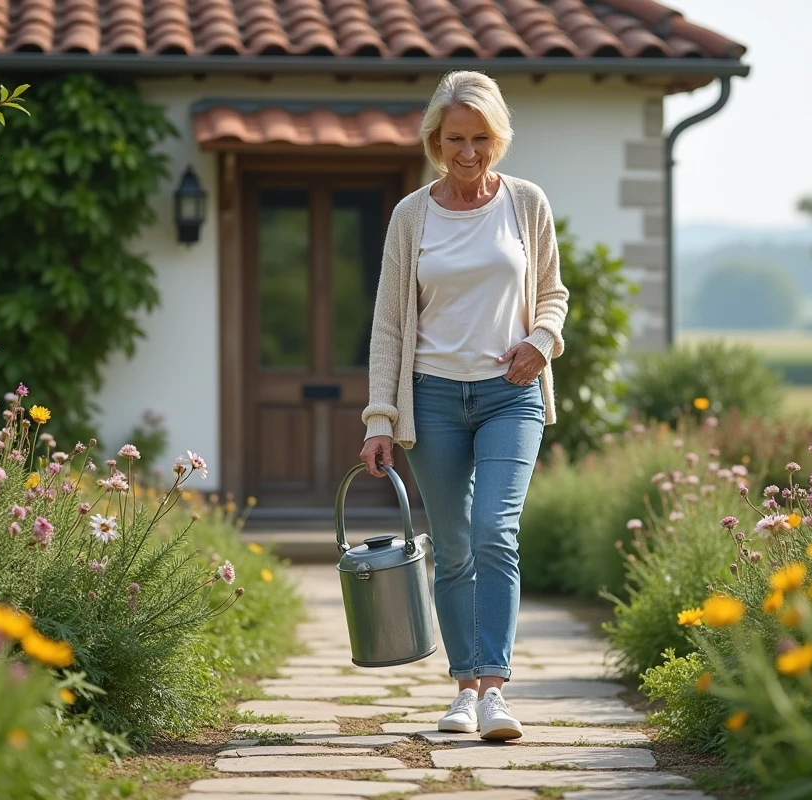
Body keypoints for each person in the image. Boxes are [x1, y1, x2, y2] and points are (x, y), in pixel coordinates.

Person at [359, 70, 569, 741]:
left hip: (512, 395)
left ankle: (496, 692)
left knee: (493, 531)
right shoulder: (410, 216)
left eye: (481, 137)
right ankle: (463, 690)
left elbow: (553, 294)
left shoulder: (526, 204)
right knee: (452, 548)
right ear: (435, 139)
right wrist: (380, 420)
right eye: (456, 138)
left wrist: (542, 340)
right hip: (435, 399)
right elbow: (390, 325)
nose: (469, 150)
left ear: (498, 137)